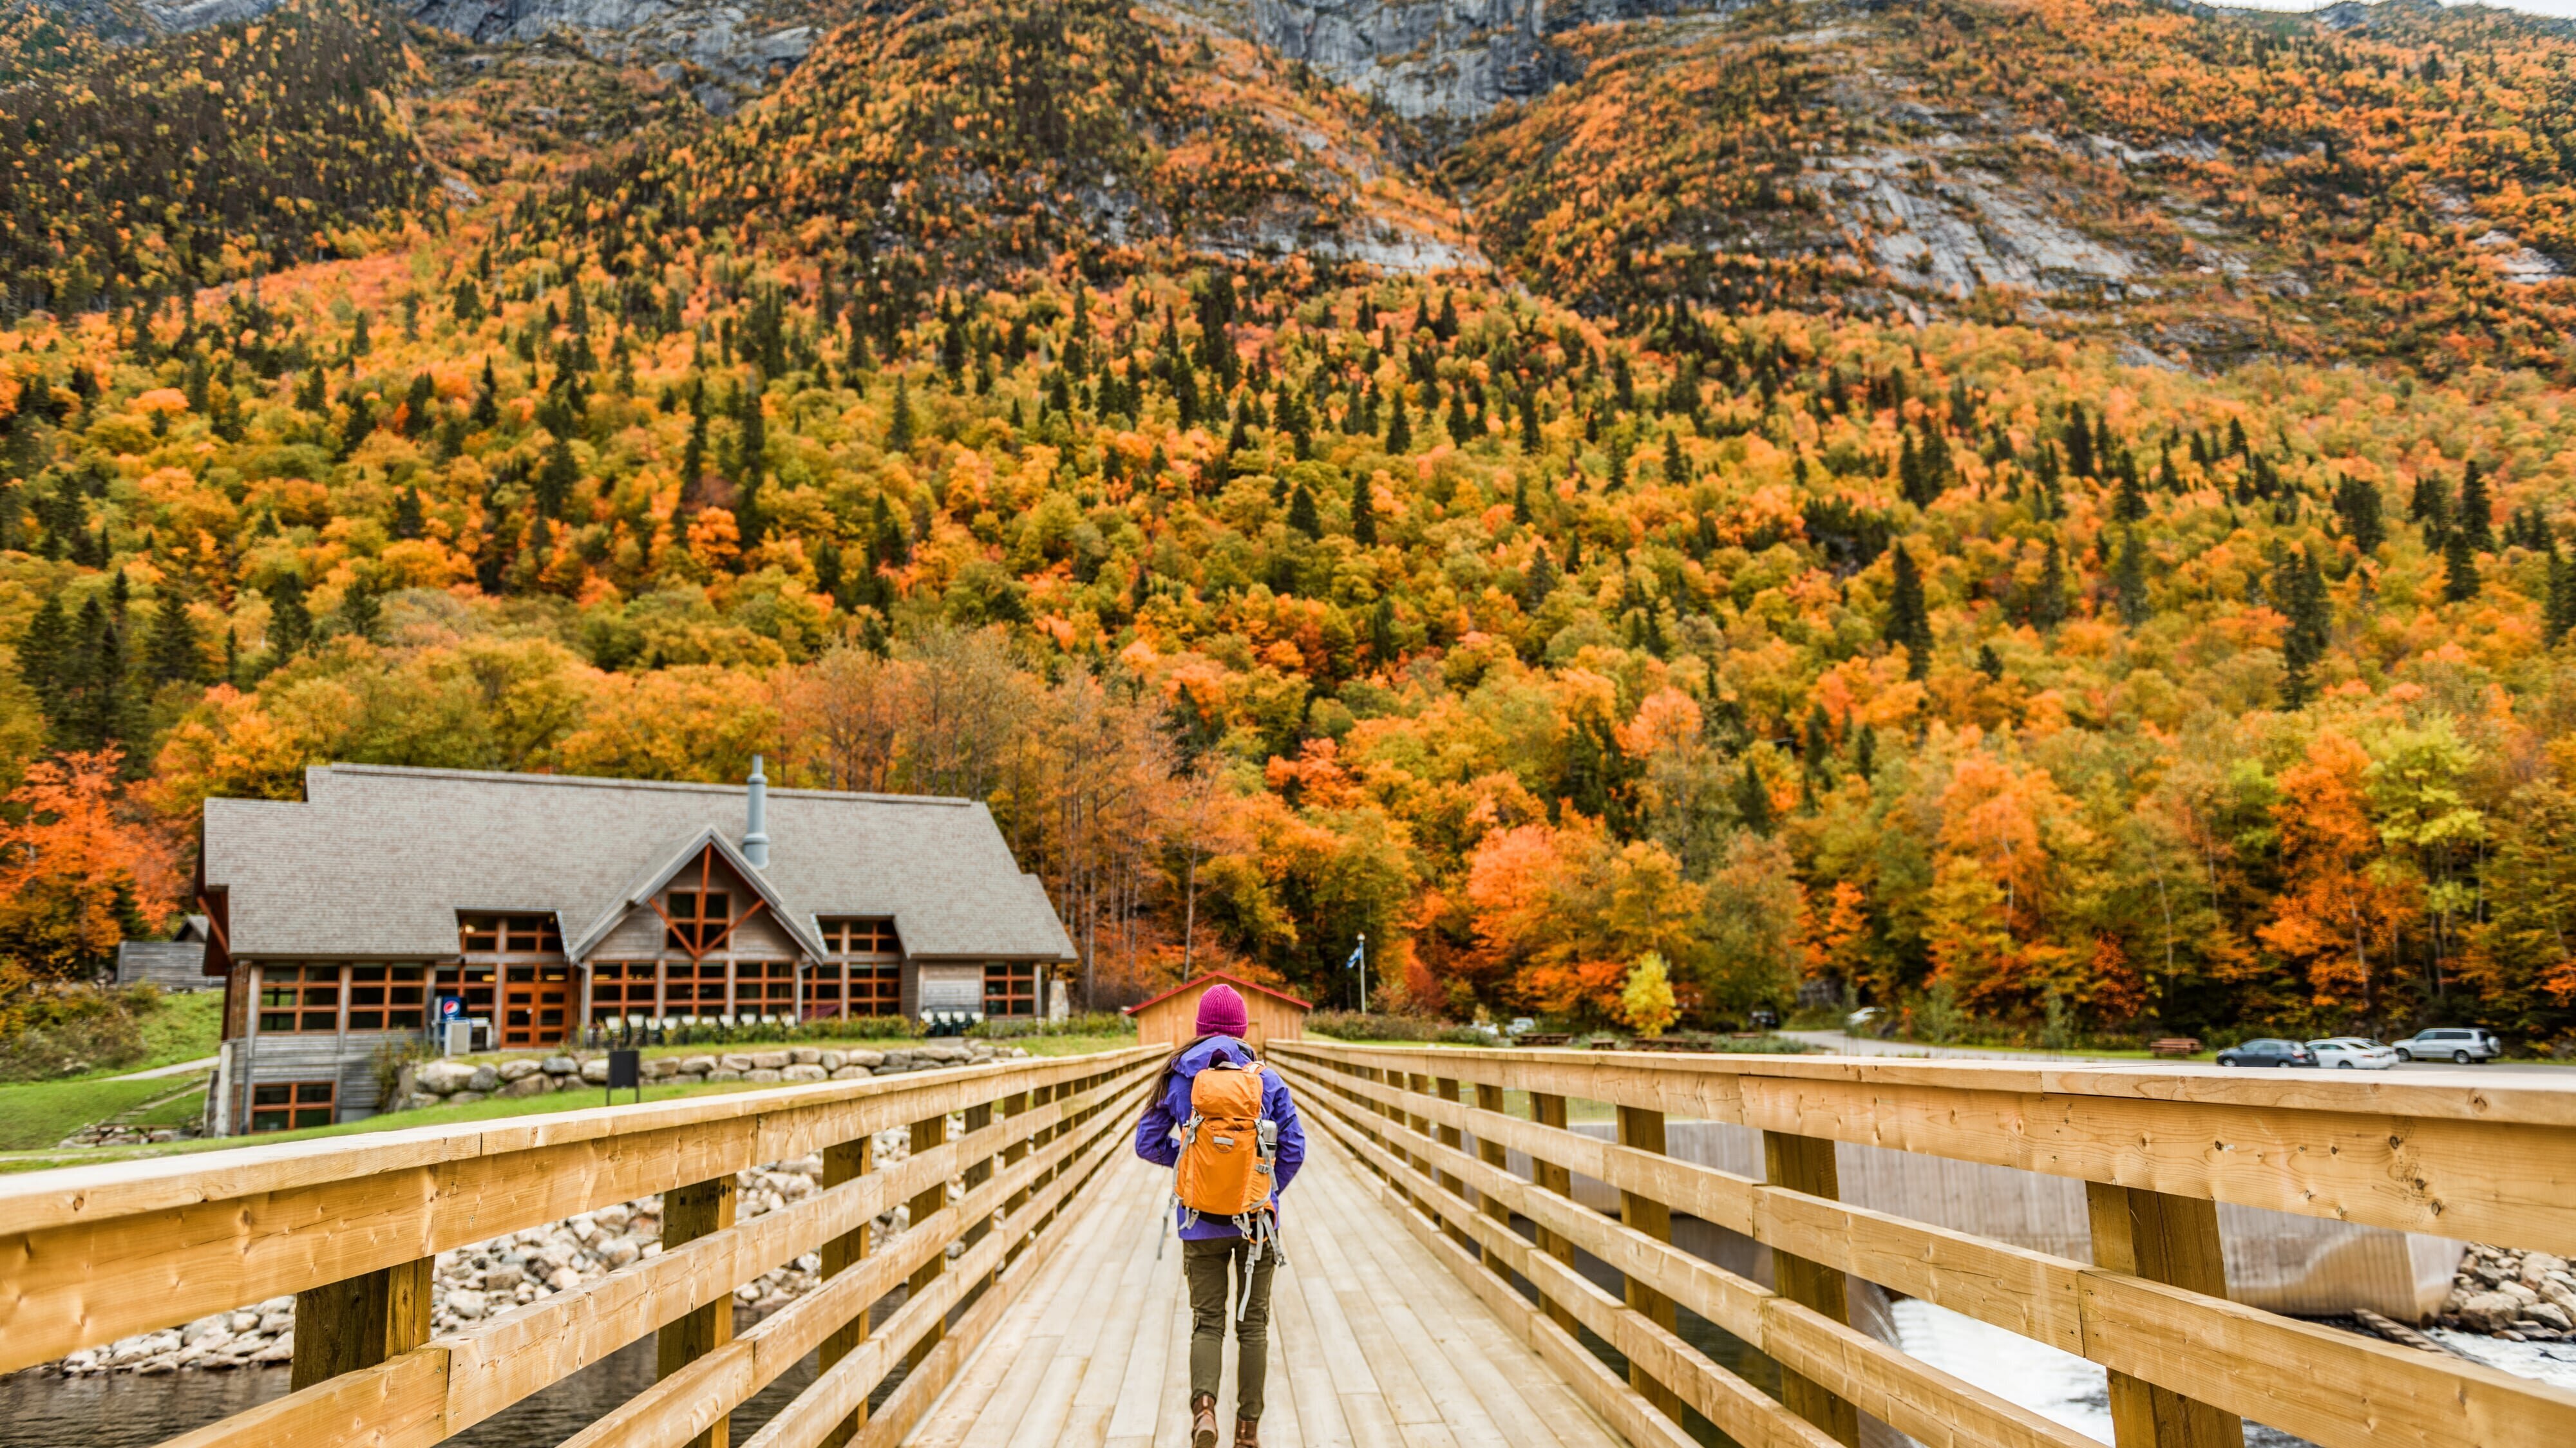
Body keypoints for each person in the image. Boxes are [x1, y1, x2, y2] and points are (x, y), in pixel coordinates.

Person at [1134, 984, 1306, 1448]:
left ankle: (1203, 1409)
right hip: (1257, 1222)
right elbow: (1294, 1147)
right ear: (1242, 1028)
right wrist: (1260, 1188)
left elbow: (1146, 1142)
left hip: (1199, 1220)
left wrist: (1195, 1169)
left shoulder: (1177, 1076)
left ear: (1199, 1027)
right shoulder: (1265, 1080)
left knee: (1206, 1321)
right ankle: (1247, 1432)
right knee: (1253, 1326)